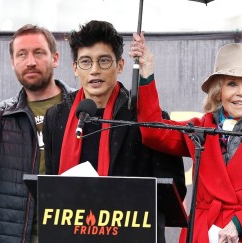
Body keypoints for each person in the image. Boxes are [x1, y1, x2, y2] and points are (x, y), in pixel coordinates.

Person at [129, 32, 242, 243]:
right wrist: (147, 73)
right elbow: (153, 131)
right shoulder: (201, 128)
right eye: (232, 84)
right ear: (218, 91)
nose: (241, 92)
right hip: (203, 235)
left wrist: (241, 223)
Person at [42, 20, 186, 243]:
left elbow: (173, 189)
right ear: (75, 68)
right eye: (86, 62)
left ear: (120, 66)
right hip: (73, 234)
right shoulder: (57, 116)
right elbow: (52, 186)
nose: (95, 70)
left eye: (104, 61)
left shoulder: (143, 118)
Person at [0, 24, 73, 243]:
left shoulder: (82, 108)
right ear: (13, 63)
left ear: (55, 58)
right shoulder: (0, 116)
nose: (30, 62)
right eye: (22, 54)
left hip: (72, 233)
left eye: (38, 52)